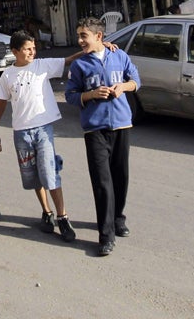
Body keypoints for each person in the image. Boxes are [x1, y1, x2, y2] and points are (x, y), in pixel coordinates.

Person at [0, 30, 78, 243]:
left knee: (50, 172)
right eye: (27, 49)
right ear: (15, 51)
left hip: (43, 129)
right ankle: (46, 212)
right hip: (21, 132)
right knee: (33, 175)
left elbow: (68, 60)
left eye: (33, 48)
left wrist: (93, 49)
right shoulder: (7, 76)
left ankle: (62, 217)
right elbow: (1, 104)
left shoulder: (41, 66)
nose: (32, 52)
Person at [64, 16, 141, 257]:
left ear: (99, 36)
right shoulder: (79, 66)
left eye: (83, 36)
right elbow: (70, 95)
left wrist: (123, 88)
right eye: (78, 36)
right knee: (102, 182)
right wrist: (91, 94)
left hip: (121, 126)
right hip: (94, 129)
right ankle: (105, 236)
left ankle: (118, 218)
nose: (79, 40)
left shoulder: (119, 56)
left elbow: (136, 80)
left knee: (121, 177)